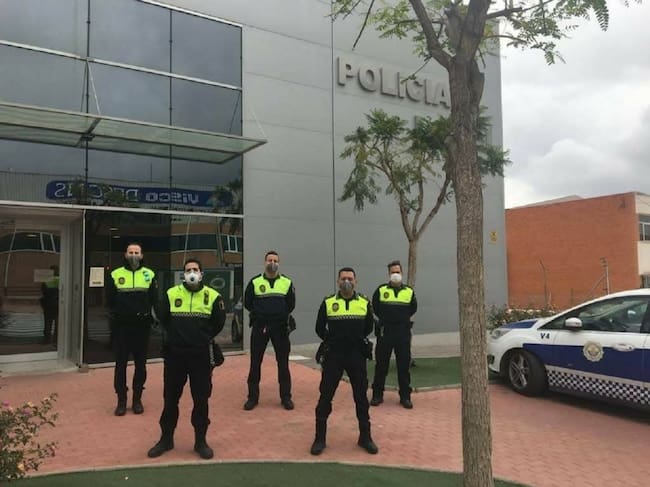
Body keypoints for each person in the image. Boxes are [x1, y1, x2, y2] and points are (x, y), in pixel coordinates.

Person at [147, 258, 226, 460]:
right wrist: (177, 336)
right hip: (175, 356)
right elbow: (163, 318)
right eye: (188, 269)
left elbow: (218, 322)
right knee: (170, 399)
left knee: (201, 400)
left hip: (201, 357)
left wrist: (201, 337)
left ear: (201, 273)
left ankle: (200, 441)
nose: (192, 272)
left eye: (195, 269)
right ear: (183, 274)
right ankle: (166, 439)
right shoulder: (171, 294)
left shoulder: (213, 296)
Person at [310, 267, 378, 456]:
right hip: (334, 356)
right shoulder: (328, 302)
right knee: (325, 396)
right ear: (338, 281)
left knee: (361, 397)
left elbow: (368, 327)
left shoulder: (364, 302)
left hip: (356, 355)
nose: (346, 282)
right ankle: (319, 438)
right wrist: (332, 340)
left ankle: (365, 437)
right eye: (343, 279)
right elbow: (319, 327)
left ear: (356, 281)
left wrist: (354, 339)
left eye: (350, 278)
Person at [107, 242, 157, 416]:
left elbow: (154, 300)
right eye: (130, 252)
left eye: (136, 252)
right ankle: (121, 400)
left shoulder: (149, 274)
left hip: (142, 328)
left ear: (142, 256)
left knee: (140, 366)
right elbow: (110, 300)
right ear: (125, 255)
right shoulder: (115, 274)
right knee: (120, 365)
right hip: (122, 327)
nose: (133, 255)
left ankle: (137, 399)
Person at [243, 251, 296, 411]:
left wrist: (279, 314)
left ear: (279, 263)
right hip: (260, 326)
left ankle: (286, 397)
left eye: (275, 260)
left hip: (280, 328)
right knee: (255, 363)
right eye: (269, 260)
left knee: (283, 363)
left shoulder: (287, 282)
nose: (272, 263)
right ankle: (252, 398)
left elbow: (291, 304)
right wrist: (260, 314)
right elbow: (248, 302)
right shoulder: (255, 282)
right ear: (264, 262)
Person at [370, 260, 418, 409]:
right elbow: (375, 308)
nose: (395, 274)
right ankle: (377, 395)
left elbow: (413, 308)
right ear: (388, 274)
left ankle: (405, 397)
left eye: (397, 272)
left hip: (403, 333)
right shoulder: (381, 290)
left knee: (403, 366)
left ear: (402, 273)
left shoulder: (409, 291)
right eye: (393, 272)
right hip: (385, 332)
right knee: (381, 365)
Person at [40, 264, 59, 344]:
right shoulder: (60, 279)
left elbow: (43, 291)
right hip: (58, 303)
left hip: (48, 304)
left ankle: (47, 339)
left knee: (48, 322)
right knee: (58, 322)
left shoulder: (47, 280)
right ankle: (56, 339)